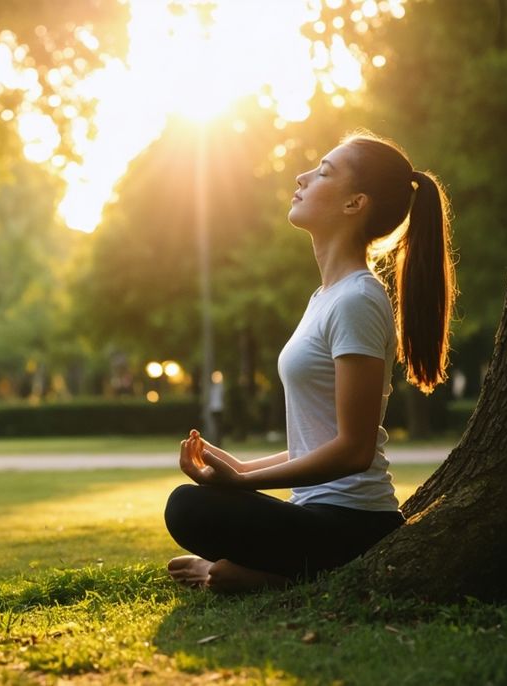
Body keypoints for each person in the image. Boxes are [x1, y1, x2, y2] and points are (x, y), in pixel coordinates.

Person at [164, 131, 456, 592]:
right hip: (316, 514)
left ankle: (273, 576)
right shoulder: (325, 297)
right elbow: (318, 441)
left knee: (188, 506)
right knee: (194, 501)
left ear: (354, 203)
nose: (301, 177)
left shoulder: (357, 300)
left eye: (323, 172)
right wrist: (240, 469)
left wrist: (241, 484)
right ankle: (256, 572)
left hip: (354, 524)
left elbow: (354, 450)